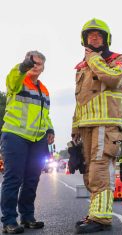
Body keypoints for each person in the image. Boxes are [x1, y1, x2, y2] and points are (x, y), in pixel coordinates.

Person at [71, 18, 122, 234]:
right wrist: (75, 128)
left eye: (98, 35)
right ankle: (95, 212)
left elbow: (113, 79)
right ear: (84, 39)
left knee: (100, 169)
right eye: (90, 35)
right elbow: (80, 99)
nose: (94, 37)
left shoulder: (115, 59)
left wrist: (93, 59)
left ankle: (101, 219)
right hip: (86, 125)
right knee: (89, 172)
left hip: (106, 122)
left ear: (106, 39)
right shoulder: (81, 67)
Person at [1, 51, 54, 234]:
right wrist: (23, 66)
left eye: (38, 64)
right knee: (13, 178)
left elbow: (44, 115)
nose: (35, 66)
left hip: (37, 139)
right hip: (15, 135)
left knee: (32, 179)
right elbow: (12, 78)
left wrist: (50, 129)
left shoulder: (45, 90)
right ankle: (8, 220)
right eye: (31, 63)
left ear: (43, 68)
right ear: (25, 62)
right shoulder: (17, 80)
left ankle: (27, 217)